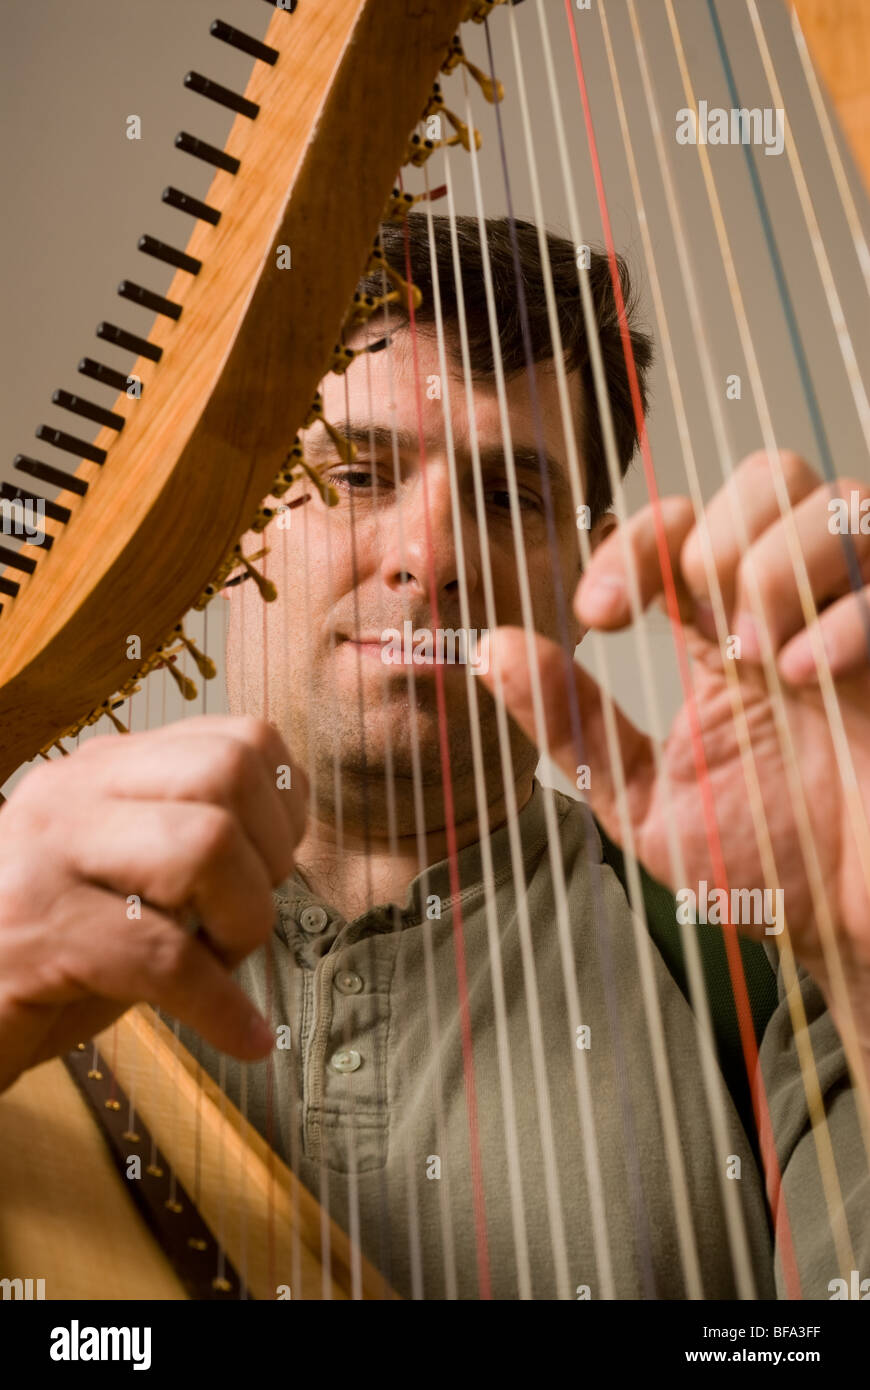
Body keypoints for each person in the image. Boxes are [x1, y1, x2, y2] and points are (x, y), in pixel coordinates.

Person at [0, 216, 868, 1299]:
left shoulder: (771, 968)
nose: (431, 557)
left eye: (511, 497)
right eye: (361, 474)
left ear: (588, 577)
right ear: (230, 533)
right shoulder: (27, 906)